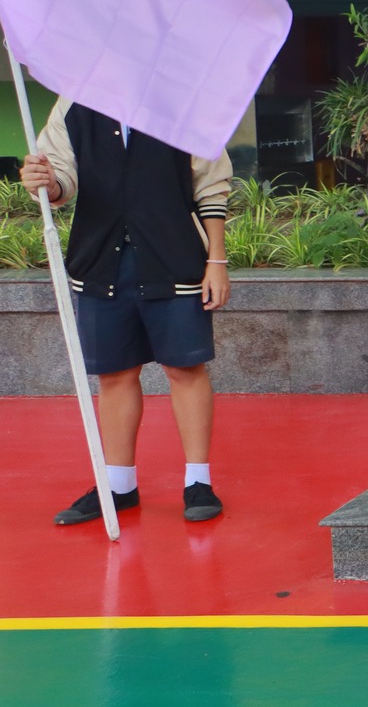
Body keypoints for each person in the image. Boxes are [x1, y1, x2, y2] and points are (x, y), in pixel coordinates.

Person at [23, 100, 234, 525]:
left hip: (174, 257)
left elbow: (211, 184)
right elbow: (62, 179)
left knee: (185, 368)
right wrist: (45, 180)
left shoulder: (184, 98)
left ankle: (198, 482)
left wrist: (217, 260)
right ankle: (119, 486)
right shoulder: (75, 102)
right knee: (114, 374)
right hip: (100, 260)